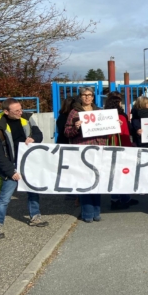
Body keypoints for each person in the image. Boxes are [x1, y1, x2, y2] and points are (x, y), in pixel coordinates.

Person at [0, 98, 47, 240]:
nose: (20, 112)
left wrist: (34, 138)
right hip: (12, 167)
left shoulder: (27, 118)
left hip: (29, 164)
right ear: (6, 111)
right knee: (4, 198)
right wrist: (11, 172)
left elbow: (39, 134)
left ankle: (35, 217)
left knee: (33, 192)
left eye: (21, 109)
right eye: (16, 111)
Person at [64, 87, 108, 223]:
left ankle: (97, 211)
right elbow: (67, 132)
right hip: (83, 151)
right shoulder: (74, 112)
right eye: (84, 95)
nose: (87, 97)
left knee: (97, 182)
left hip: (98, 149)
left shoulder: (99, 112)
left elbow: (107, 132)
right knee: (85, 182)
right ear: (80, 97)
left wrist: (114, 125)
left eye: (90, 95)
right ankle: (87, 212)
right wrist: (76, 128)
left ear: (93, 97)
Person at [104, 93, 140, 210]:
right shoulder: (121, 116)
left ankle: (122, 198)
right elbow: (125, 135)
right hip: (120, 147)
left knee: (115, 174)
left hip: (109, 147)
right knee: (121, 174)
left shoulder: (104, 116)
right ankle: (118, 199)